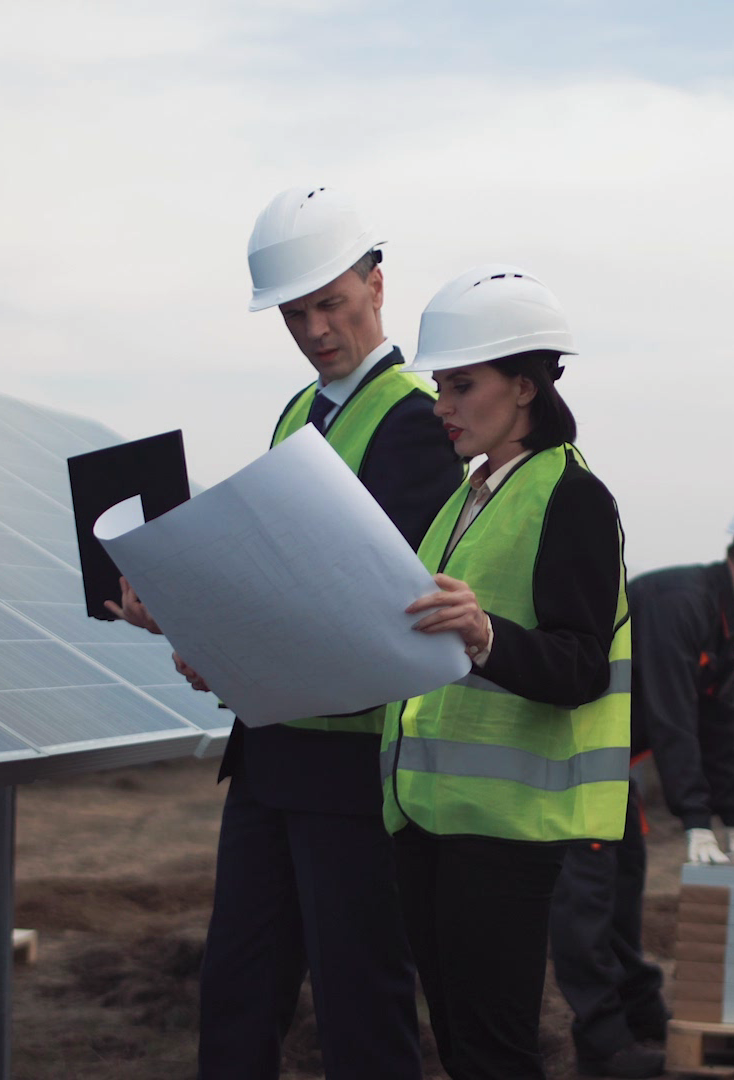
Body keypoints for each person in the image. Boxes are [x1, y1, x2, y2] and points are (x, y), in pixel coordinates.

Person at [108, 185, 461, 1079]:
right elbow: (284, 583)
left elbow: (382, 616)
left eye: (330, 304)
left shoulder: (417, 422)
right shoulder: (298, 416)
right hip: (270, 757)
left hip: (355, 770)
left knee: (360, 1004)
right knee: (236, 993)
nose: (315, 330)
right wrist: (196, 630)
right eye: (295, 314)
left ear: (377, 285)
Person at [386, 264, 630, 1080]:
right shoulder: (468, 499)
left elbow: (581, 667)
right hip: (428, 819)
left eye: (461, 386)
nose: (441, 406)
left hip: (503, 833)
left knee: (494, 1055)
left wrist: (487, 634)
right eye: (440, 387)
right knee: (463, 1049)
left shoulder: (572, 496)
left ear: (524, 387)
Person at [548, 494, 734, 1077]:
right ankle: (602, 1047)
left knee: (624, 891)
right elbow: (672, 715)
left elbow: (719, 719)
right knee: (587, 905)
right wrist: (695, 818)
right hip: (574, 758)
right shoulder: (681, 603)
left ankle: (642, 1017)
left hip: (608, 765)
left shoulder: (725, 615)